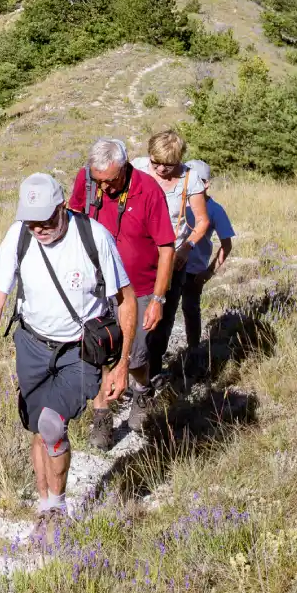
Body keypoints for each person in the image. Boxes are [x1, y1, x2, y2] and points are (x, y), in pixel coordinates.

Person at [0, 172, 136, 521]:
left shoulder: (94, 237)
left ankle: (58, 508)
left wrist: (122, 364)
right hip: (32, 344)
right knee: (37, 428)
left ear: (63, 206)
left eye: (47, 220)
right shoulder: (19, 237)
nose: (40, 229)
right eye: (32, 223)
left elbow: (125, 299)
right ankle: (44, 503)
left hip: (80, 350)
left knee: (52, 425)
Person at [69, 138, 176, 447]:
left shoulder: (148, 190)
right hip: (96, 287)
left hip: (140, 288)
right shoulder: (87, 181)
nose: (103, 188)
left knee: (135, 357)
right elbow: (72, 220)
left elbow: (166, 249)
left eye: (110, 181)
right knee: (96, 352)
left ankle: (141, 392)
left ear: (125, 167)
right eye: (97, 180)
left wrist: (157, 299)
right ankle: (102, 417)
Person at [132, 129, 211, 373]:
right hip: (138, 256)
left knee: (164, 318)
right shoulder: (136, 169)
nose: (160, 170)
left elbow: (202, 221)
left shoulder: (190, 178)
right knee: (132, 314)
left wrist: (187, 248)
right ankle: (133, 368)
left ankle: (153, 370)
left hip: (173, 258)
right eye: (155, 163)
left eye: (168, 165)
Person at [167, 189, 234, 360]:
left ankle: (193, 352)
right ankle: (154, 357)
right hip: (169, 267)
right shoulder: (176, 203)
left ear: (206, 184)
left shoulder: (215, 209)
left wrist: (209, 271)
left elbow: (226, 244)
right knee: (165, 312)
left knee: (190, 310)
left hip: (194, 271)